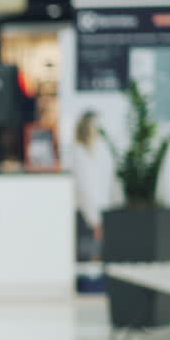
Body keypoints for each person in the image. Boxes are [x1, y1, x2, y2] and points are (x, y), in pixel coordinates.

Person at [70, 110, 115, 260]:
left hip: (100, 213)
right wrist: (95, 220)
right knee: (88, 257)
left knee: (97, 256)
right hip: (86, 216)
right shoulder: (78, 153)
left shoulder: (101, 150)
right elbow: (84, 189)